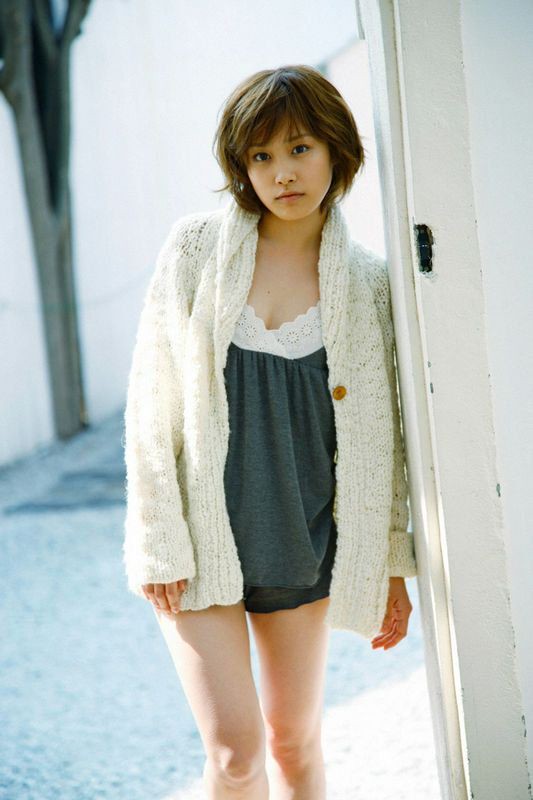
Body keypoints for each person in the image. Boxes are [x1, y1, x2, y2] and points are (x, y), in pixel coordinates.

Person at [122, 64, 417, 799]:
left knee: (293, 742)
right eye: (261, 155)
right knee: (235, 753)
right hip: (200, 546)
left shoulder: (369, 283)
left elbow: (385, 441)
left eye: (299, 148)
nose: (282, 172)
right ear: (240, 166)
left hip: (303, 542)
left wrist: (389, 561)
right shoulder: (195, 251)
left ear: (337, 150)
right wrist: (156, 536)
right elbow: (150, 401)